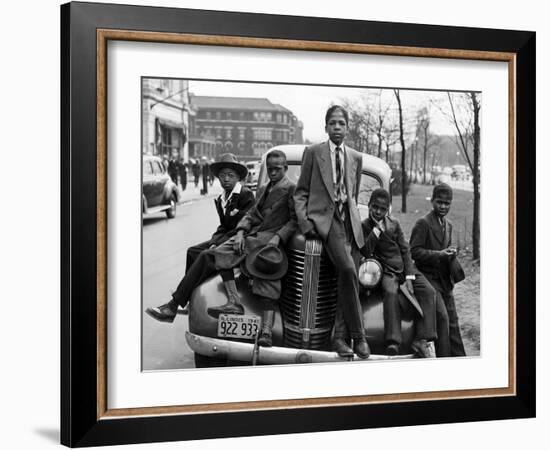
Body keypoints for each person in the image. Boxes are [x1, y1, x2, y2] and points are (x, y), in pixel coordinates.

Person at [146, 150, 297, 347]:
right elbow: (251, 214)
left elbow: (295, 220)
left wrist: (278, 237)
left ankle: (174, 305)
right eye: (270, 169)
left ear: (285, 169)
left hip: (267, 243)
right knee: (211, 254)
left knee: (213, 256)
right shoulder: (265, 188)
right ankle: (193, 304)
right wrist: (241, 231)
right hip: (251, 238)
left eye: (277, 169)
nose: (273, 173)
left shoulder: (291, 189)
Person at [294, 105, 370, 359]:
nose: (337, 127)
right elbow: (301, 192)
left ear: (347, 128)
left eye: (341, 123)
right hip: (327, 221)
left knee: (348, 277)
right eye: (333, 123)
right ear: (326, 126)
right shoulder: (314, 152)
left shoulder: (356, 157)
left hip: (350, 223)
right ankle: (358, 337)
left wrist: (354, 220)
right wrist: (307, 224)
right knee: (348, 270)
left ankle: (338, 338)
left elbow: (353, 194)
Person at [360, 188, 444, 357]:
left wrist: (410, 276)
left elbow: (405, 250)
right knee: (390, 293)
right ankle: (393, 341)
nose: (377, 211)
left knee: (429, 291)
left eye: (382, 209)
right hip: (386, 271)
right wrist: (376, 231)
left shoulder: (394, 224)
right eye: (374, 207)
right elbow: (365, 251)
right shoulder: (365, 226)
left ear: (388, 209)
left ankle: (422, 339)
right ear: (369, 206)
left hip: (404, 268)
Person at [410, 183, 466, 357]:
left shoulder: (448, 225)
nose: (443, 206)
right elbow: (414, 251)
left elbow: (445, 249)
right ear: (432, 201)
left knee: (454, 322)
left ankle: (461, 360)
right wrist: (439, 254)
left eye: (447, 203)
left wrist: (451, 253)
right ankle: (443, 359)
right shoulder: (423, 223)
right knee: (442, 318)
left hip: (444, 280)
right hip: (427, 279)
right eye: (439, 202)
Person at [185, 153, 254, 273]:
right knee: (192, 251)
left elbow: (244, 225)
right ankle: (189, 289)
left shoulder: (245, 194)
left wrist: (217, 243)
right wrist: (213, 242)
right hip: (224, 239)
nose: (226, 179)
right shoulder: (221, 199)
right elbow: (223, 226)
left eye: (230, 175)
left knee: (205, 255)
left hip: (238, 241)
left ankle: (184, 291)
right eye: (222, 175)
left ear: (238, 177)